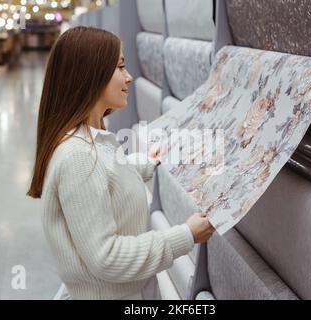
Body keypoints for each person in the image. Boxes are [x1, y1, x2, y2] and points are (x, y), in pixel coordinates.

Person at [27, 27, 215, 300]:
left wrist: (151, 161)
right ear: (91, 74)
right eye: (120, 67)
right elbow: (107, 258)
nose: (129, 77)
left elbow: (108, 176)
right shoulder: (78, 157)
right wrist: (186, 235)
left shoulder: (91, 138)